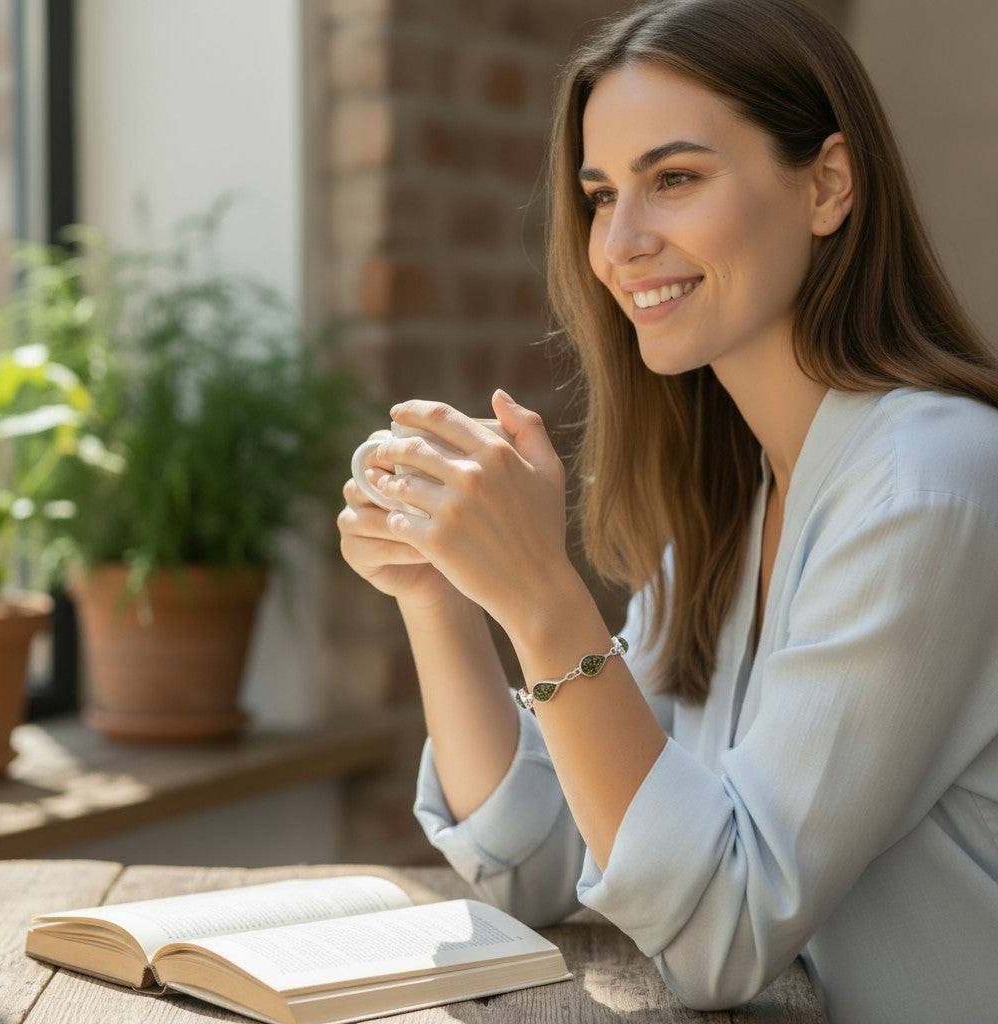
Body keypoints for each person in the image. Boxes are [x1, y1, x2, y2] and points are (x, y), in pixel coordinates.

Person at [337, 0, 998, 1020]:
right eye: (601, 196)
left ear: (827, 184)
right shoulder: (734, 506)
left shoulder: (927, 481)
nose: (622, 243)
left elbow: (721, 930)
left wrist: (544, 594)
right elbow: (547, 853)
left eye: (674, 179)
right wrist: (441, 590)